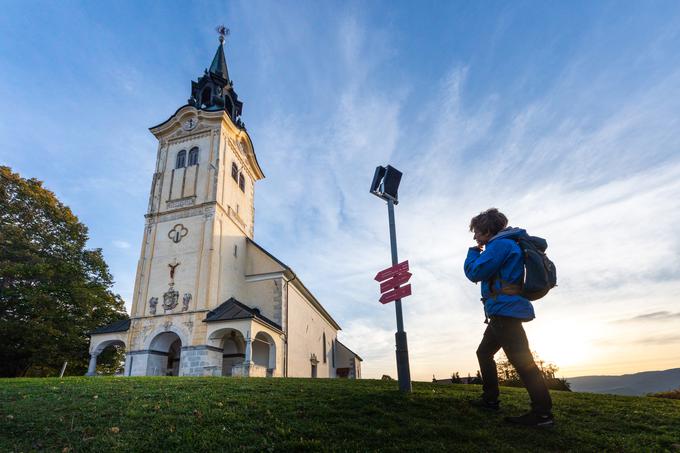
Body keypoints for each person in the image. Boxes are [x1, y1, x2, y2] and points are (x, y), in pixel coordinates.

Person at [463, 208, 554, 427]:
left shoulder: (500, 245)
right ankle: (490, 399)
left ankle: (542, 414)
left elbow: (475, 272)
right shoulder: (509, 243)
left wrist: (473, 253)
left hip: (505, 310)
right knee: (484, 352)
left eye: (476, 231)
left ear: (486, 229)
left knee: (523, 362)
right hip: (502, 310)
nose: (475, 236)